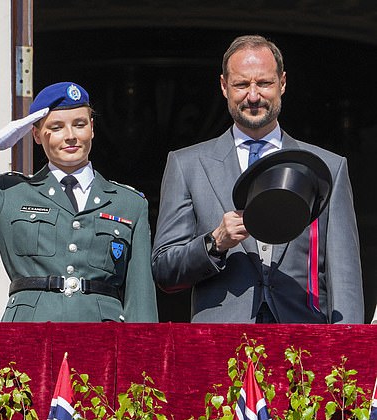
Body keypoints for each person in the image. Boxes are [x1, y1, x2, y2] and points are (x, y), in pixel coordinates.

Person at [151, 35, 364, 324]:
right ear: (224, 86)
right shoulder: (187, 165)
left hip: (303, 344)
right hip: (219, 345)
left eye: (264, 83)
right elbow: (165, 271)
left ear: (283, 83)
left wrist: (347, 354)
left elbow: (345, 278)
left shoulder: (328, 168)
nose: (253, 95)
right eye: (241, 84)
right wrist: (215, 242)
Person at [0, 82, 158, 322]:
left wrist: (142, 354)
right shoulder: (11, 193)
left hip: (102, 336)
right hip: (27, 334)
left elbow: (141, 300)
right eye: (56, 127)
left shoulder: (129, 203)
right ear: (35, 134)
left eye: (80, 124)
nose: (71, 136)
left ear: (92, 128)